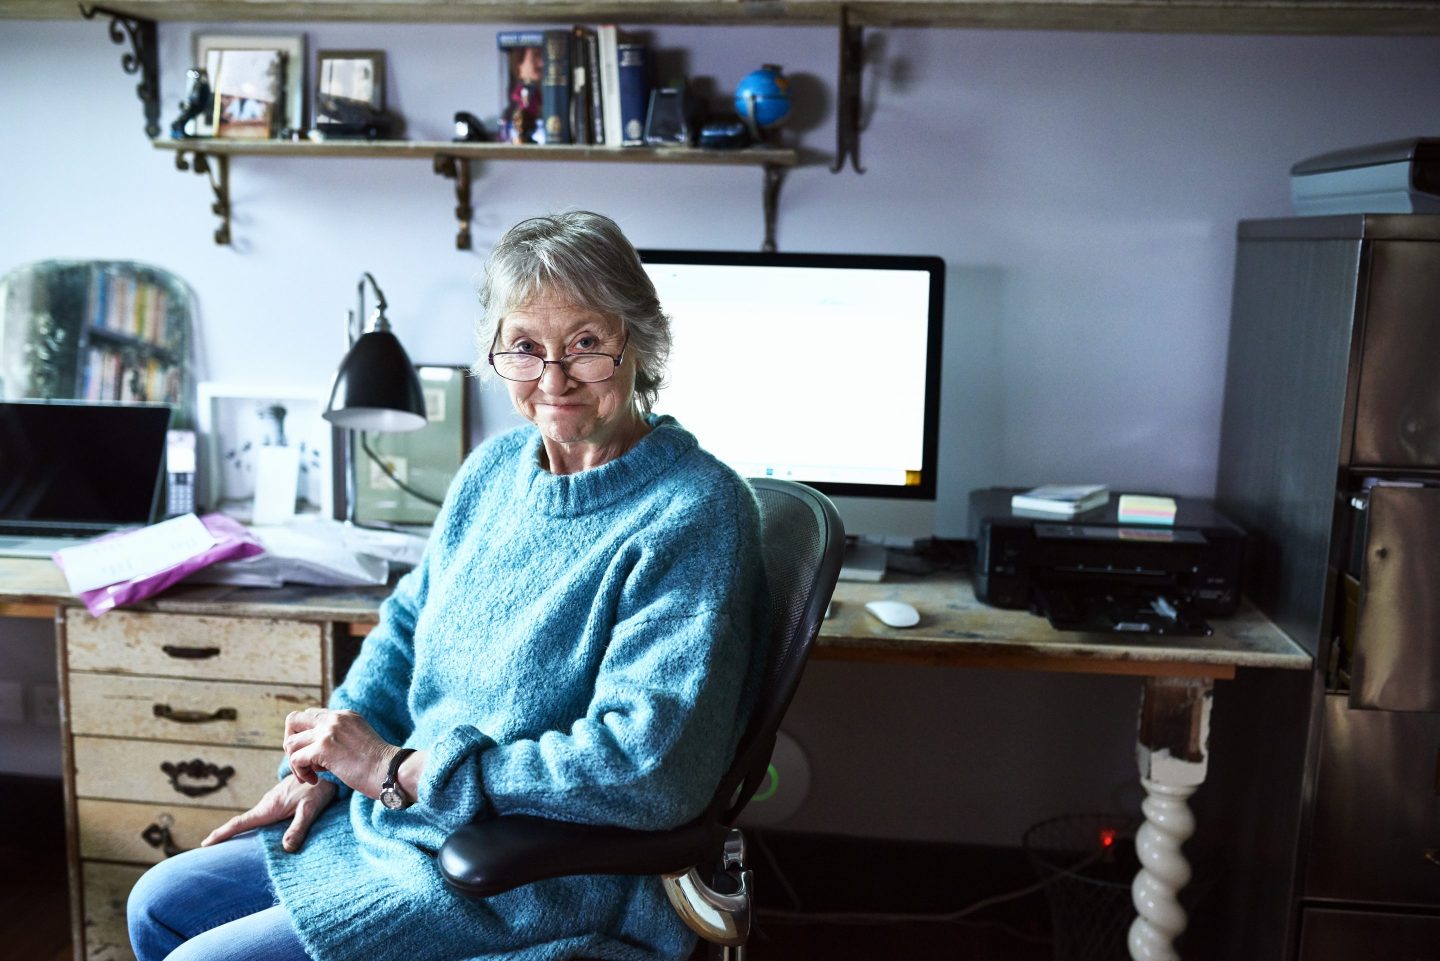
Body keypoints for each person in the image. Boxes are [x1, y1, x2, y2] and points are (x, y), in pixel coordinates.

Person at [127, 210, 770, 961]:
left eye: (587, 344)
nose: (553, 378)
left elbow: (646, 767)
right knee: (158, 904)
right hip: (403, 823)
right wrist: (325, 770)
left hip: (535, 880)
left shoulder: (695, 512)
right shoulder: (492, 472)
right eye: (524, 347)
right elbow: (403, 633)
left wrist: (401, 769)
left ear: (641, 340)